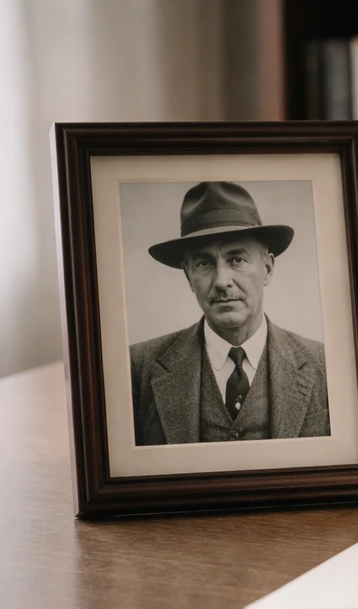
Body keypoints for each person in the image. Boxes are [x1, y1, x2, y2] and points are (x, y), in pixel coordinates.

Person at [130, 181, 330, 445]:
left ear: (267, 269)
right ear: (189, 276)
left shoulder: (323, 365)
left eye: (237, 259)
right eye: (204, 263)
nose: (222, 280)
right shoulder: (139, 367)